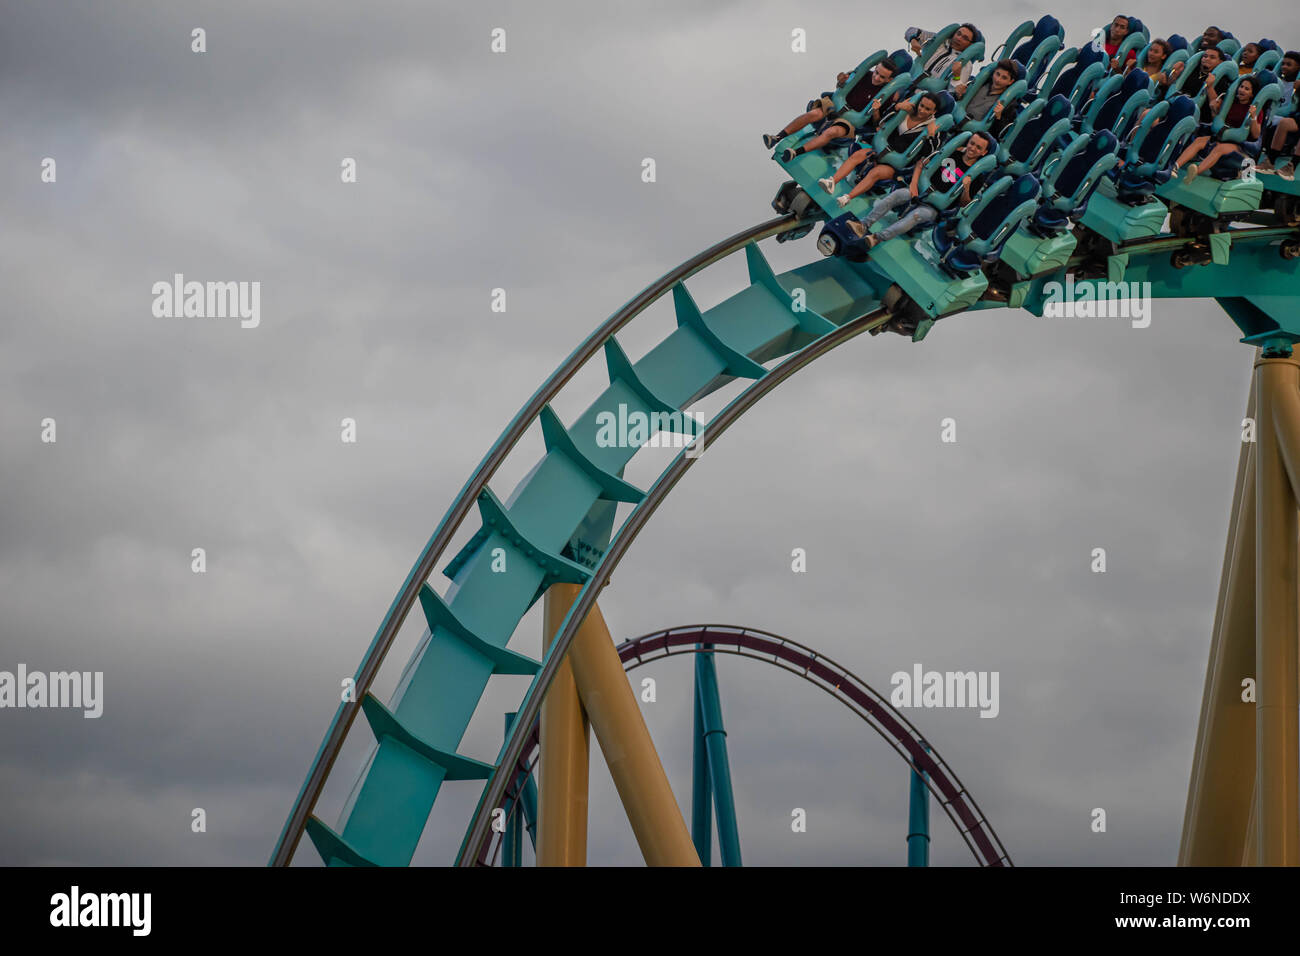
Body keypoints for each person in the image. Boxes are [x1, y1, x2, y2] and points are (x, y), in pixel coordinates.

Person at [844, 131, 997, 246]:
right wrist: (913, 184)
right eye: (972, 143)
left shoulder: (978, 177)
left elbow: (964, 204)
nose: (973, 148)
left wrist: (967, 187)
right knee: (896, 195)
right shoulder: (952, 154)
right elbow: (920, 164)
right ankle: (863, 224)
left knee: (915, 216)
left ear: (983, 153)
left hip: (934, 207)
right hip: (920, 191)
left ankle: (877, 238)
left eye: (978, 147)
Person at [817, 93, 944, 204]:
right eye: (921, 105)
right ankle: (832, 181)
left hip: (896, 164)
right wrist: (897, 107)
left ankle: (847, 198)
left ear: (934, 111)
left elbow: (929, 154)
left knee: (875, 173)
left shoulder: (934, 128)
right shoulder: (906, 112)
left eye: (927, 109)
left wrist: (931, 135)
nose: (922, 110)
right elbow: (882, 121)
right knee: (858, 155)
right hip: (881, 150)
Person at [763, 55, 906, 151]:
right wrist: (841, 80)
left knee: (832, 131)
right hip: (834, 107)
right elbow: (840, 87)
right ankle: (777, 137)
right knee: (814, 113)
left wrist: (875, 110)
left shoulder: (887, 95)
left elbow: (876, 123)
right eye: (876, 73)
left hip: (850, 120)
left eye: (882, 77)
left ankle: (796, 152)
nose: (876, 77)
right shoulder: (864, 75)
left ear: (888, 80)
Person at [1177, 76, 1262, 181]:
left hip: (1240, 146)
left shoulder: (1255, 110)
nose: (1242, 90)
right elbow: (1217, 122)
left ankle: (1195, 172)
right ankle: (1175, 166)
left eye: (1246, 89)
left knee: (1220, 148)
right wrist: (1213, 110)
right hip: (1222, 137)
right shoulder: (1231, 103)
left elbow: (1256, 135)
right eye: (1241, 87)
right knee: (1199, 141)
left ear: (1252, 94)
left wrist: (1253, 117)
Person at [907, 23, 980, 95]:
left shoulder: (965, 63)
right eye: (958, 33)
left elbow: (954, 92)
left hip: (926, 95)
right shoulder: (937, 40)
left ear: (970, 44)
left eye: (965, 38)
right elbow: (911, 31)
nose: (959, 38)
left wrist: (957, 77)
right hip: (909, 79)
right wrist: (913, 40)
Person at [962, 59, 1021, 137]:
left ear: (1010, 81)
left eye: (1004, 78)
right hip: (956, 120)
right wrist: (959, 94)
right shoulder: (981, 83)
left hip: (973, 135)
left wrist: (998, 117)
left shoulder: (1010, 104)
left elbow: (1000, 135)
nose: (998, 80)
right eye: (997, 74)